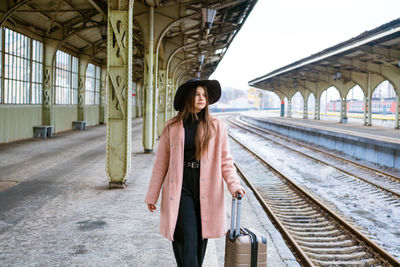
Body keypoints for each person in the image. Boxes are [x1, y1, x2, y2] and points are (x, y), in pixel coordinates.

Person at [144, 78, 246, 267]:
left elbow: (226, 160)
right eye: (197, 94)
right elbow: (161, 163)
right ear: (188, 97)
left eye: (204, 95)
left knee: (200, 239)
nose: (202, 98)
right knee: (187, 234)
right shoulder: (172, 126)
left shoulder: (216, 126)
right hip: (180, 187)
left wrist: (234, 184)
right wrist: (153, 195)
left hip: (207, 187)